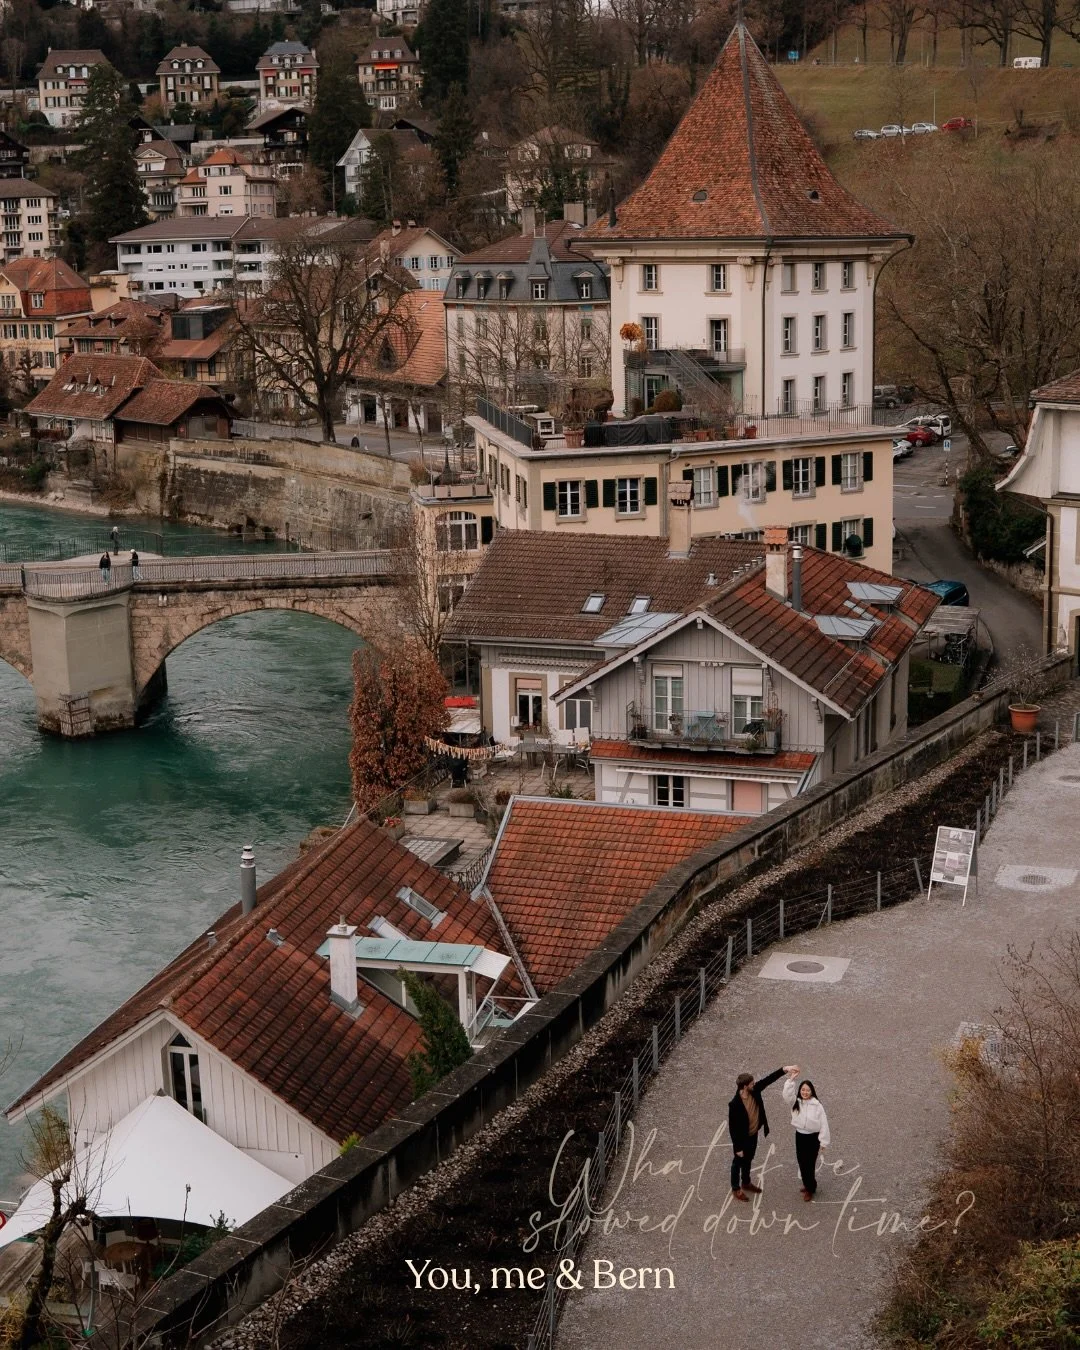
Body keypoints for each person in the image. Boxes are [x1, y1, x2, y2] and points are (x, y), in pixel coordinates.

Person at [729, 1064, 799, 1201]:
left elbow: (768, 1080)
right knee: (737, 1163)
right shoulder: (735, 1104)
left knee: (749, 1159)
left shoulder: (754, 1090)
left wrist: (784, 1069)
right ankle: (736, 1188)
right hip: (742, 1139)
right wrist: (738, 1148)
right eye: (751, 1083)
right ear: (744, 1087)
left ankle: (746, 1182)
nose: (754, 1084)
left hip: (753, 1134)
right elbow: (733, 1128)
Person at [782, 1070, 830, 1201]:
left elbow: (824, 1124)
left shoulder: (817, 1106)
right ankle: (809, 1184)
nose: (805, 1092)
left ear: (812, 1091)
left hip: (812, 1138)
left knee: (809, 1164)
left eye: (807, 1090)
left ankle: (810, 1188)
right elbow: (786, 1095)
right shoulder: (796, 1102)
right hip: (800, 1137)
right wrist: (790, 1081)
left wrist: (823, 1142)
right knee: (801, 1162)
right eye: (803, 1090)